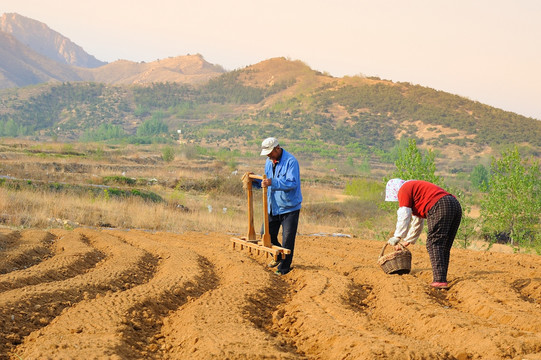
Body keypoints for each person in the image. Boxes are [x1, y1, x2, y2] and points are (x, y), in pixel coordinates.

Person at [385, 178, 462, 289]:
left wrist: (397, 236)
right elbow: (417, 221)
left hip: (440, 204)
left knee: (433, 243)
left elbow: (404, 215)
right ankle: (442, 279)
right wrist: (407, 241)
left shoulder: (403, 189)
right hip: (454, 205)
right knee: (444, 245)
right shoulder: (415, 190)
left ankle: (439, 280)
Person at [250, 137, 302, 275]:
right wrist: (255, 180)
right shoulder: (268, 162)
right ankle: (278, 256)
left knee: (287, 240)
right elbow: (267, 182)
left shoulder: (291, 162)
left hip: (289, 207)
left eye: (270, 152)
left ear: (277, 149)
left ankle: (284, 268)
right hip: (272, 206)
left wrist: (272, 182)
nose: (268, 155)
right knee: (265, 235)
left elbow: (292, 183)